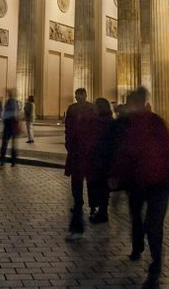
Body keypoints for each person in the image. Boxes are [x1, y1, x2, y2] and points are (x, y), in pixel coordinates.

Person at [110, 88, 169, 289]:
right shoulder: (141, 122)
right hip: (144, 181)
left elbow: (167, 150)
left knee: (149, 223)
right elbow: (124, 152)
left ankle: (153, 261)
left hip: (154, 181)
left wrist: (115, 175)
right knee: (144, 221)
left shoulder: (145, 122)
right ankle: (143, 251)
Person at [64, 87, 96, 241]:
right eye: (76, 94)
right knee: (79, 179)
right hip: (79, 150)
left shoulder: (89, 108)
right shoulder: (75, 108)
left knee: (86, 179)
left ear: (85, 95)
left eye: (80, 94)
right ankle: (80, 201)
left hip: (84, 150)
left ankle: (89, 203)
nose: (78, 96)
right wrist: (68, 144)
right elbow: (68, 128)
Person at [88, 97, 114, 224]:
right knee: (103, 188)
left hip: (100, 159)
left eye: (95, 106)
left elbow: (94, 140)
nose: (93, 108)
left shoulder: (98, 122)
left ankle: (102, 213)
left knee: (100, 187)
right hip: (107, 159)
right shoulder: (111, 121)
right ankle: (102, 211)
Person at [0, 89, 20, 168]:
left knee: (4, 144)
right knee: (13, 145)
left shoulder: (8, 103)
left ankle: (2, 161)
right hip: (13, 125)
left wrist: (2, 122)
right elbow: (17, 114)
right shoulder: (15, 103)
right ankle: (13, 161)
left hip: (8, 125)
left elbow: (5, 114)